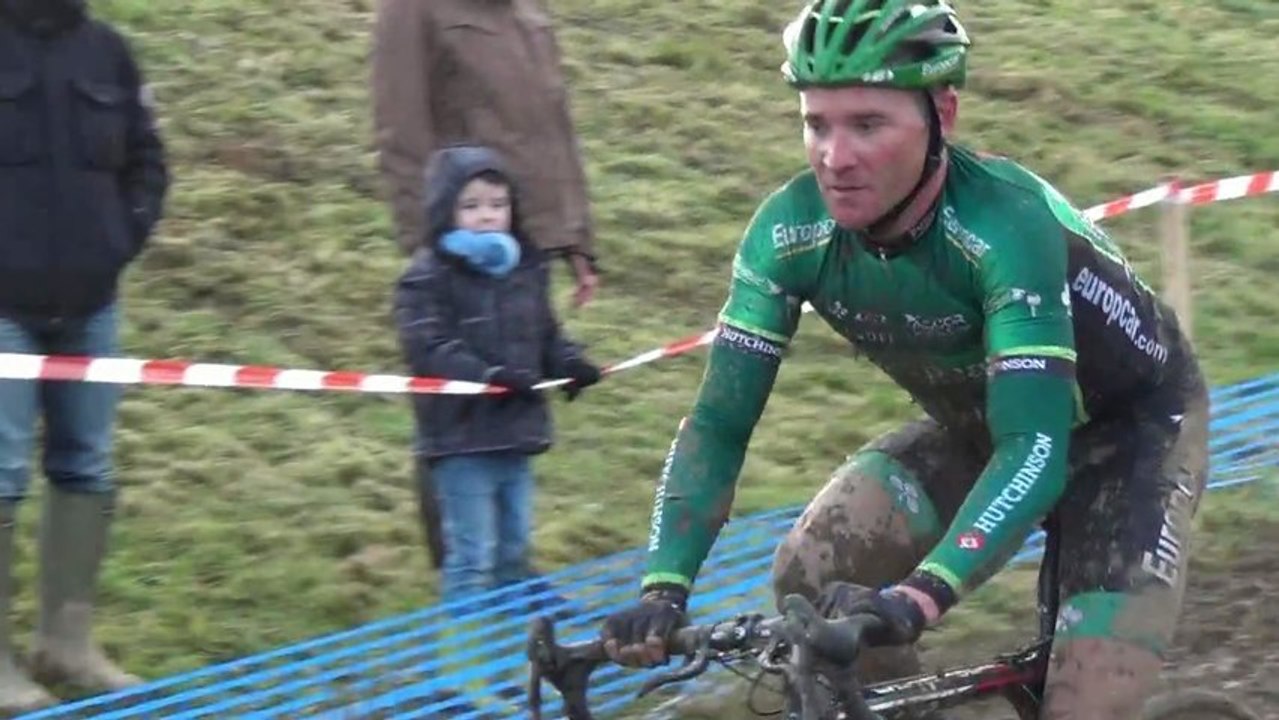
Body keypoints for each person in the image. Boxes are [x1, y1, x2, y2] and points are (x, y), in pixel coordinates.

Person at [597, 2, 1207, 719]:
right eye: (815, 123)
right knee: (813, 568)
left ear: (941, 115)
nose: (834, 156)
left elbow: (1035, 446)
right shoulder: (788, 234)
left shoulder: (1003, 227)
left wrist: (920, 596)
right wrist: (662, 589)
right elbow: (718, 424)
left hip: (1129, 439)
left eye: (866, 124)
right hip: (982, 427)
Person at [371, 0, 601, 574]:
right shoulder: (411, 10)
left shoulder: (528, 11)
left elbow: (554, 128)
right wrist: (429, 245)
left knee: (516, 403)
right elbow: (402, 131)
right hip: (458, 251)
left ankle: (510, 566)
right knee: (458, 408)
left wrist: (575, 237)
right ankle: (461, 570)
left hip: (523, 243)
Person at [0, 0, 168, 712]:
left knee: (88, 465)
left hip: (91, 305)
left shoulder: (109, 50)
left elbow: (147, 161)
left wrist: (115, 241)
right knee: (0, 472)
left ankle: (66, 642)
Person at [393, 144, 601, 606]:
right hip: (460, 440)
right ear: (444, 210)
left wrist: (569, 363)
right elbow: (427, 348)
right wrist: (489, 375)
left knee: (514, 554)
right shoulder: (426, 277)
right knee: (472, 559)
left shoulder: (527, 270)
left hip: (517, 434)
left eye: (497, 204)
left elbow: (545, 334)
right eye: (471, 206)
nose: (487, 216)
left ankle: (508, 664)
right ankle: (468, 675)